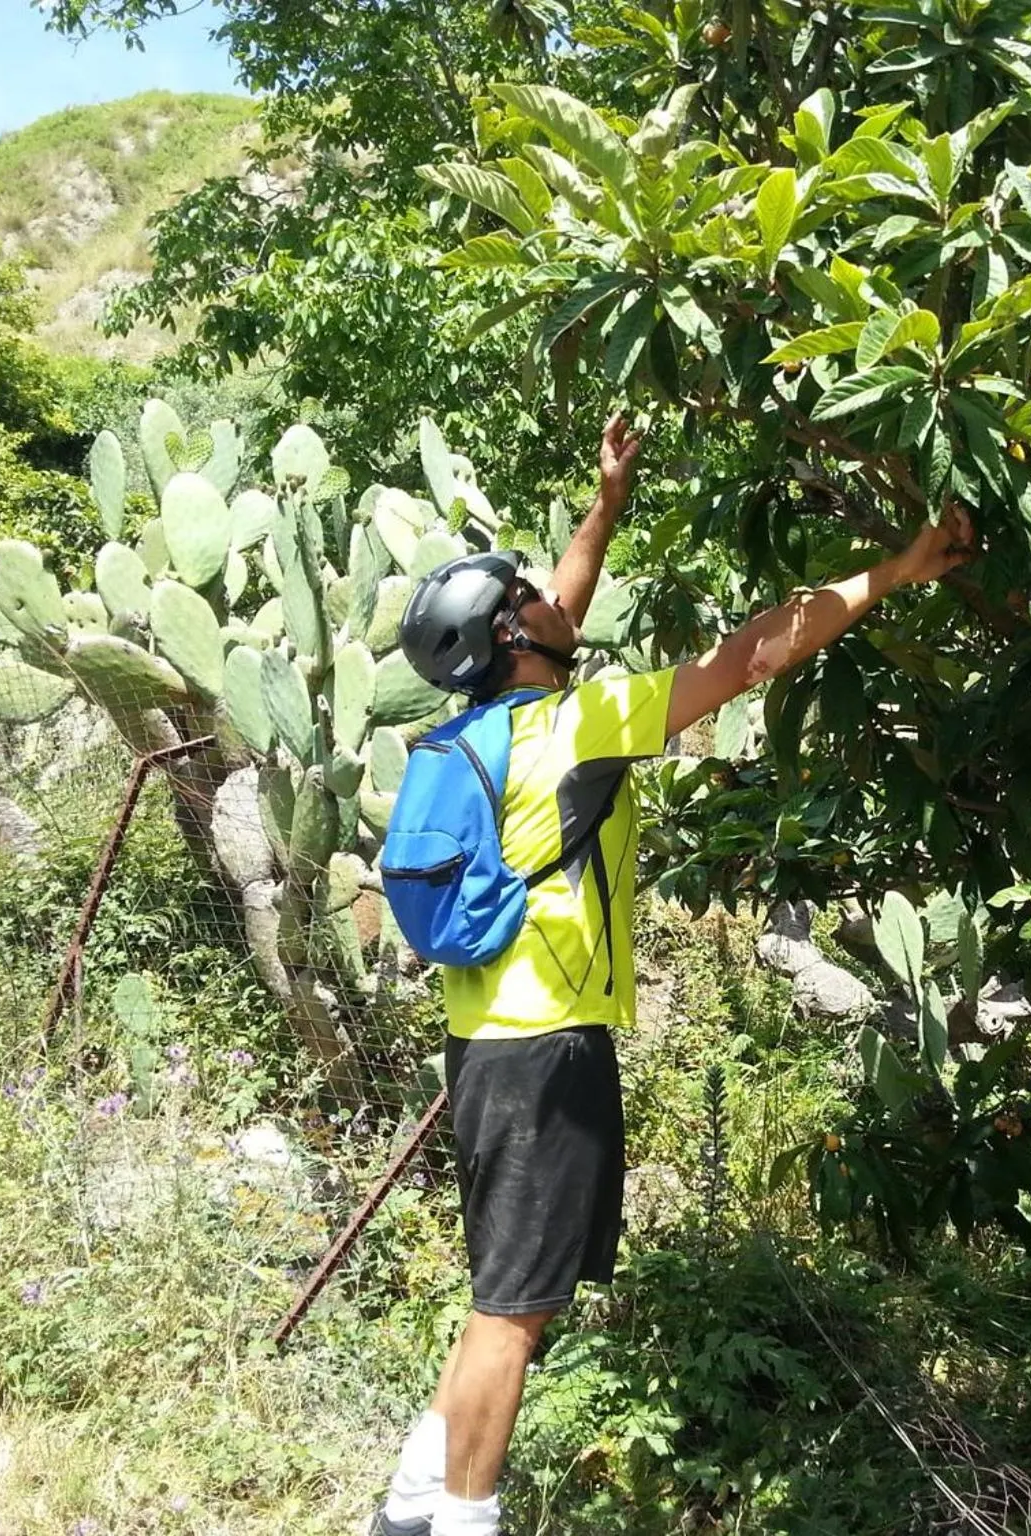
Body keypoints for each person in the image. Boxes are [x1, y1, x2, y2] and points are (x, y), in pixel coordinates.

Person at [372, 412, 975, 1536]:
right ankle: (464, 1518)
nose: (554, 594)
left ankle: (415, 1494)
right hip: (544, 1053)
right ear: (515, 637)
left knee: (514, 1294)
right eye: (532, 594)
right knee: (511, 1308)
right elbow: (752, 653)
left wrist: (606, 504)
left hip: (491, 1044)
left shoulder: (496, 731)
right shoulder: (578, 726)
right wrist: (892, 570)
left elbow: (563, 601)